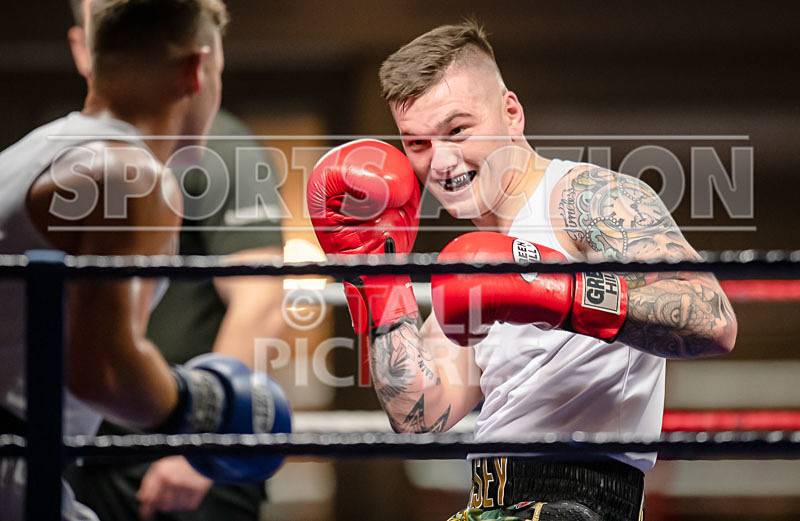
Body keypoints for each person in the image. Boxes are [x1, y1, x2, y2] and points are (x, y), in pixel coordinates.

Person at [307, 20, 737, 521]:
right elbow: (420, 414)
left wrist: (553, 291)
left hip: (583, 499)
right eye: (418, 143)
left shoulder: (585, 199)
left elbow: (713, 320)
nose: (441, 162)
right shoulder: (468, 265)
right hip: (491, 502)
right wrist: (378, 282)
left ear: (511, 113)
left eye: (457, 130)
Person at [0, 1, 290, 520]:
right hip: (16, 464)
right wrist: (203, 407)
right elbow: (102, 369)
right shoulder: (132, 176)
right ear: (198, 70)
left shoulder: (26, 155)